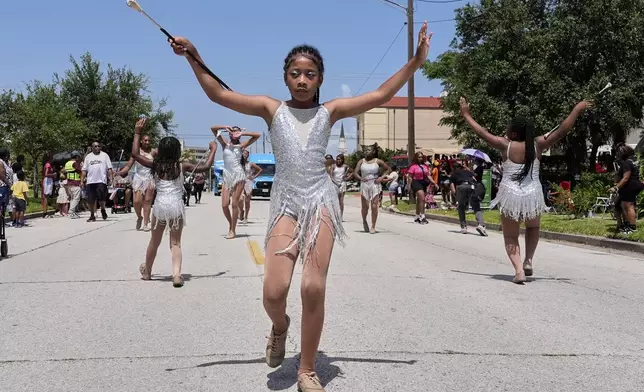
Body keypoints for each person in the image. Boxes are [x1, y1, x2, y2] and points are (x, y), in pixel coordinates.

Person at [169, 20, 431, 391]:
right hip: (286, 203)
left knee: (313, 286)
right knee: (274, 293)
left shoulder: (332, 111)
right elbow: (219, 95)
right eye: (296, 73)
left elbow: (380, 95)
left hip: (321, 200)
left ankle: (307, 368)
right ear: (286, 78)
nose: (303, 80)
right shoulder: (270, 109)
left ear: (320, 78)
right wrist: (193, 56)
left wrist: (416, 62)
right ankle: (280, 326)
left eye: (310, 74)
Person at [460, 96, 592, 283]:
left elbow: (481, 132)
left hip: (510, 194)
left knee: (511, 235)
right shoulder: (538, 144)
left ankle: (519, 270)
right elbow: (563, 130)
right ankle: (528, 260)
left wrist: (466, 114)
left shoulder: (505, 145)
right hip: (532, 194)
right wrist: (577, 108)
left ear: (513, 134)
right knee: (533, 227)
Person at [132, 118, 216, 288]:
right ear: (177, 150)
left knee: (154, 242)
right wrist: (213, 149)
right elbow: (206, 166)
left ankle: (147, 271)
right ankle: (177, 274)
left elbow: (135, 155)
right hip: (176, 207)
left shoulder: (154, 165)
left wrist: (137, 132)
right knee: (175, 243)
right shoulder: (181, 165)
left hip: (160, 207)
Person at [210, 125, 260, 239]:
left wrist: (242, 133)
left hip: (238, 175)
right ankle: (231, 223)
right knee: (224, 205)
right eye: (232, 132)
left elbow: (257, 135)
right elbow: (213, 129)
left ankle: (232, 230)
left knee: (234, 204)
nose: (234, 134)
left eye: (236, 132)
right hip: (227, 175)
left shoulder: (241, 146)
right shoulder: (225, 144)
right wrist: (225, 127)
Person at [115, 134, 157, 231]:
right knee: (137, 201)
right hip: (138, 178)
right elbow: (128, 165)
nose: (147, 142)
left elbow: (159, 163)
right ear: (141, 141)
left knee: (147, 201)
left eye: (149, 141)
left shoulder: (154, 152)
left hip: (150, 178)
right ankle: (139, 217)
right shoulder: (136, 152)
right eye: (145, 140)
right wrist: (120, 172)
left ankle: (146, 223)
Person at [354, 144, 392, 233]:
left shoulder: (377, 161)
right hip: (364, 184)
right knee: (365, 207)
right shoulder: (361, 161)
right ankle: (364, 221)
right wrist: (360, 178)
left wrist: (381, 178)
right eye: (365, 150)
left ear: (373, 151)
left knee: (374, 206)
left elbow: (388, 169)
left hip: (375, 184)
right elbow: (355, 173)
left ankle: (373, 226)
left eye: (368, 150)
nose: (366, 152)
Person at [611, 143, 644, 234]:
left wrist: (616, 188)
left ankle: (632, 227)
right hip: (631, 185)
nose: (617, 155)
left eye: (618, 153)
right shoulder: (630, 162)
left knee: (628, 205)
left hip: (631, 185)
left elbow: (626, 178)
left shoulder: (626, 163)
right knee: (621, 205)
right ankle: (625, 225)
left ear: (623, 154)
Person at [449, 162, 487, 235]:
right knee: (476, 206)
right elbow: (474, 179)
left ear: (453, 168)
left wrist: (456, 196)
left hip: (461, 187)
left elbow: (452, 188)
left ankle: (463, 227)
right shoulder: (468, 172)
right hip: (472, 186)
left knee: (461, 206)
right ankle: (481, 225)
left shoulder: (453, 174)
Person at [81, 142, 114, 222]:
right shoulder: (88, 157)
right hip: (90, 181)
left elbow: (109, 168)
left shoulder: (105, 155)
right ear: (92, 148)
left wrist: (111, 178)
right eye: (95, 146)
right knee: (91, 199)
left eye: (99, 146)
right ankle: (92, 215)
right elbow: (84, 170)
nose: (97, 147)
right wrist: (82, 180)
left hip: (101, 180)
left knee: (101, 198)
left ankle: (103, 209)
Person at [406, 152, 436, 224]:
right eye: (419, 157)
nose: (420, 158)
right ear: (416, 158)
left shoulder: (425, 166)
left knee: (419, 200)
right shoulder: (413, 166)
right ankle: (422, 217)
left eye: (421, 157)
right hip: (415, 182)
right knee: (422, 199)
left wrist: (434, 183)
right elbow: (409, 177)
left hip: (423, 182)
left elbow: (428, 175)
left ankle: (417, 217)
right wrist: (409, 186)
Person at [239, 149, 263, 224]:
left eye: (246, 154)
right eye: (243, 153)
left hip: (248, 182)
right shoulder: (239, 164)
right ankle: (241, 211)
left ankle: (246, 217)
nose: (244, 155)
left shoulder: (251, 164)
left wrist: (254, 177)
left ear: (248, 155)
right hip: (240, 182)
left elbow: (260, 170)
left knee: (247, 201)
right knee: (240, 199)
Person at [65, 152, 83, 219]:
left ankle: (72, 212)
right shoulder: (75, 163)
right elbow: (80, 172)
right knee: (76, 198)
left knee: (72, 198)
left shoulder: (67, 163)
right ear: (76, 157)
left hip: (69, 183)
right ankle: (71, 212)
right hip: (75, 183)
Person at [41, 153, 55, 219]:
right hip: (47, 181)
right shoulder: (48, 164)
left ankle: (45, 212)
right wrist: (53, 175)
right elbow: (46, 174)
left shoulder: (48, 164)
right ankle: (45, 213)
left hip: (49, 180)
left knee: (47, 197)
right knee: (46, 197)